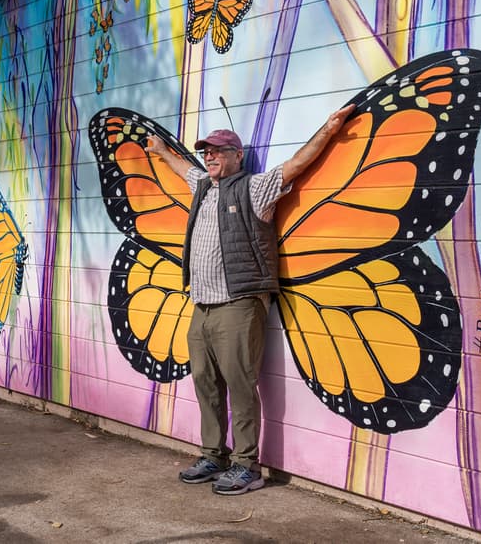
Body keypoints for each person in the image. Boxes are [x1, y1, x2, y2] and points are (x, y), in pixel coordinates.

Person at [144, 105, 353, 495]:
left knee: (240, 383)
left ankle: (246, 465)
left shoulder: (253, 188)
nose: (210, 157)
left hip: (238, 302)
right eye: (207, 151)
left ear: (237, 156)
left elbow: (294, 166)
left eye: (218, 151)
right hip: (202, 304)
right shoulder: (203, 186)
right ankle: (213, 454)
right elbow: (180, 166)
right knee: (205, 381)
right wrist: (159, 150)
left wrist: (328, 128)